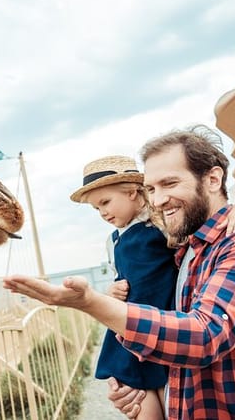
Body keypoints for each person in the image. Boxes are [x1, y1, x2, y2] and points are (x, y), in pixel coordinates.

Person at [4, 128, 235, 420]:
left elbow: (205, 336)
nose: (159, 199)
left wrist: (91, 303)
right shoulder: (186, 248)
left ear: (214, 179)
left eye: (169, 183)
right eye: (151, 189)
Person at [69, 155, 176, 419]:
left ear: (131, 192)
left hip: (166, 326)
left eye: (105, 202)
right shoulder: (113, 240)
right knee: (140, 404)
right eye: (96, 209)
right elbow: (122, 276)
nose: (103, 212)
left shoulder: (163, 223)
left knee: (175, 405)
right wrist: (111, 291)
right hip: (129, 329)